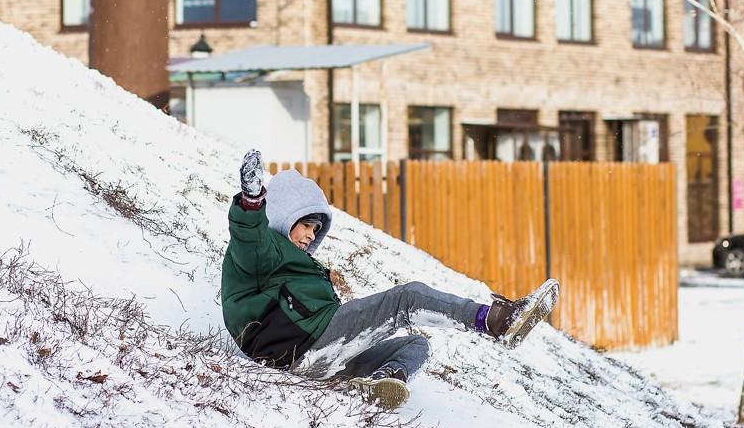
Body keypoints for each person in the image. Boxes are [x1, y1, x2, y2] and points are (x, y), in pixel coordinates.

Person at [221, 149, 558, 408]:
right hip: (298, 341)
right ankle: (498, 321)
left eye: (315, 229)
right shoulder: (260, 250)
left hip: (310, 359)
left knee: (416, 344)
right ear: (281, 214)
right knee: (405, 298)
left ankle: (382, 382)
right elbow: (247, 234)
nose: (311, 236)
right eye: (305, 225)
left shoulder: (292, 263)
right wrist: (252, 201)